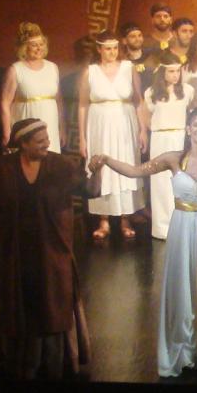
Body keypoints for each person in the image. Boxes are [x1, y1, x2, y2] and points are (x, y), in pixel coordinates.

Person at [90, 107, 197, 376]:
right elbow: (135, 171)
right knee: (184, 285)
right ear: (188, 129)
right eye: (196, 125)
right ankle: (185, 346)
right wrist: (107, 160)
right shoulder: (173, 159)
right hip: (182, 229)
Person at [0, 118, 91, 378]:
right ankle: (25, 362)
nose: (47, 143)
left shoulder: (59, 165)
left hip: (52, 249)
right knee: (23, 304)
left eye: (47, 139)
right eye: (40, 141)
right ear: (23, 144)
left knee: (53, 301)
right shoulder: (4, 168)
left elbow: (89, 189)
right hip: (18, 251)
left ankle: (57, 361)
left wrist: (98, 170)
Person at [78, 31, 145, 242]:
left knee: (125, 165)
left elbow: (139, 101)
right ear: (99, 49)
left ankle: (125, 218)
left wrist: (143, 129)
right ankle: (103, 219)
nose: (112, 52)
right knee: (102, 167)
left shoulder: (128, 68)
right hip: (99, 123)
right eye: (107, 48)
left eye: (115, 48)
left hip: (125, 123)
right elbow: (82, 105)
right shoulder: (90, 71)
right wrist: (82, 137)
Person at [139, 52, 194, 239]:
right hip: (161, 139)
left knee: (181, 180)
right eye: (171, 71)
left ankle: (182, 226)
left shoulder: (187, 90)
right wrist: (150, 131)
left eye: (178, 71)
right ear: (162, 72)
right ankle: (163, 227)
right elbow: (146, 117)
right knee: (161, 182)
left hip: (180, 137)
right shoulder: (151, 93)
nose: (175, 75)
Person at [0, 22, 63, 153]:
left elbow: (59, 100)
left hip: (50, 125)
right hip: (26, 125)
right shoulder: (16, 70)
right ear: (24, 47)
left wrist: (62, 128)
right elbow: (4, 103)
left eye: (41, 44)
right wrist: (7, 133)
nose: (39, 48)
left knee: (50, 159)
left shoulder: (53, 68)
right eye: (34, 45)